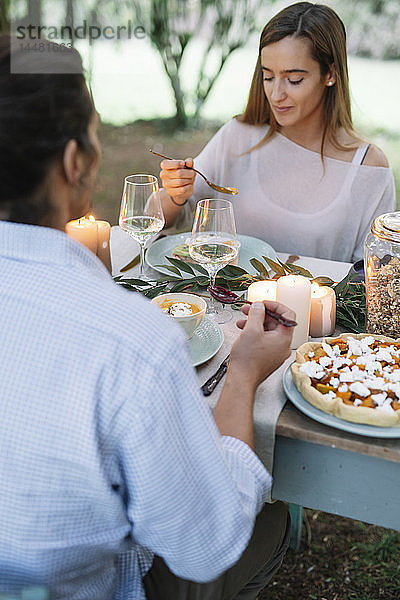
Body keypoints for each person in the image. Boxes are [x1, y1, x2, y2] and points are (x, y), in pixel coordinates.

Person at [0, 36, 294, 600]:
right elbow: (207, 544)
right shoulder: (131, 343)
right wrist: (242, 374)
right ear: (73, 161)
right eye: (94, 133)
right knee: (269, 522)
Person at [159, 1, 396, 264]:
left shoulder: (368, 168)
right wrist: (175, 195)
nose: (276, 94)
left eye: (294, 80)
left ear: (330, 74)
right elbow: (160, 220)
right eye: (268, 76)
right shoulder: (238, 137)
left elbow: (375, 278)